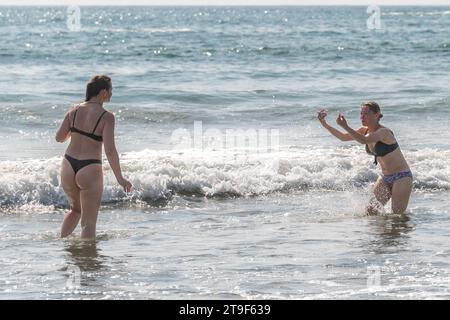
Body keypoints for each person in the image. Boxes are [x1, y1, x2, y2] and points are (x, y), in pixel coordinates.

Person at [56, 75, 132, 239]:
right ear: (103, 92)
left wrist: (77, 131)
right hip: (89, 168)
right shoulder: (107, 117)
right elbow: (110, 150)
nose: (112, 94)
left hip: (68, 165)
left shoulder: (73, 110)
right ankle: (88, 261)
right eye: (111, 90)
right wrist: (120, 178)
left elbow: (59, 138)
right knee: (88, 224)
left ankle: (61, 244)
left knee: (75, 210)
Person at [317, 101, 412, 215]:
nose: (362, 117)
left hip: (401, 177)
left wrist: (346, 126)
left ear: (377, 115)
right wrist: (325, 124)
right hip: (385, 178)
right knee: (370, 212)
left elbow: (364, 140)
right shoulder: (364, 130)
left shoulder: (384, 132)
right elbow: (343, 137)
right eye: (361, 114)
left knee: (397, 216)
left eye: (366, 114)